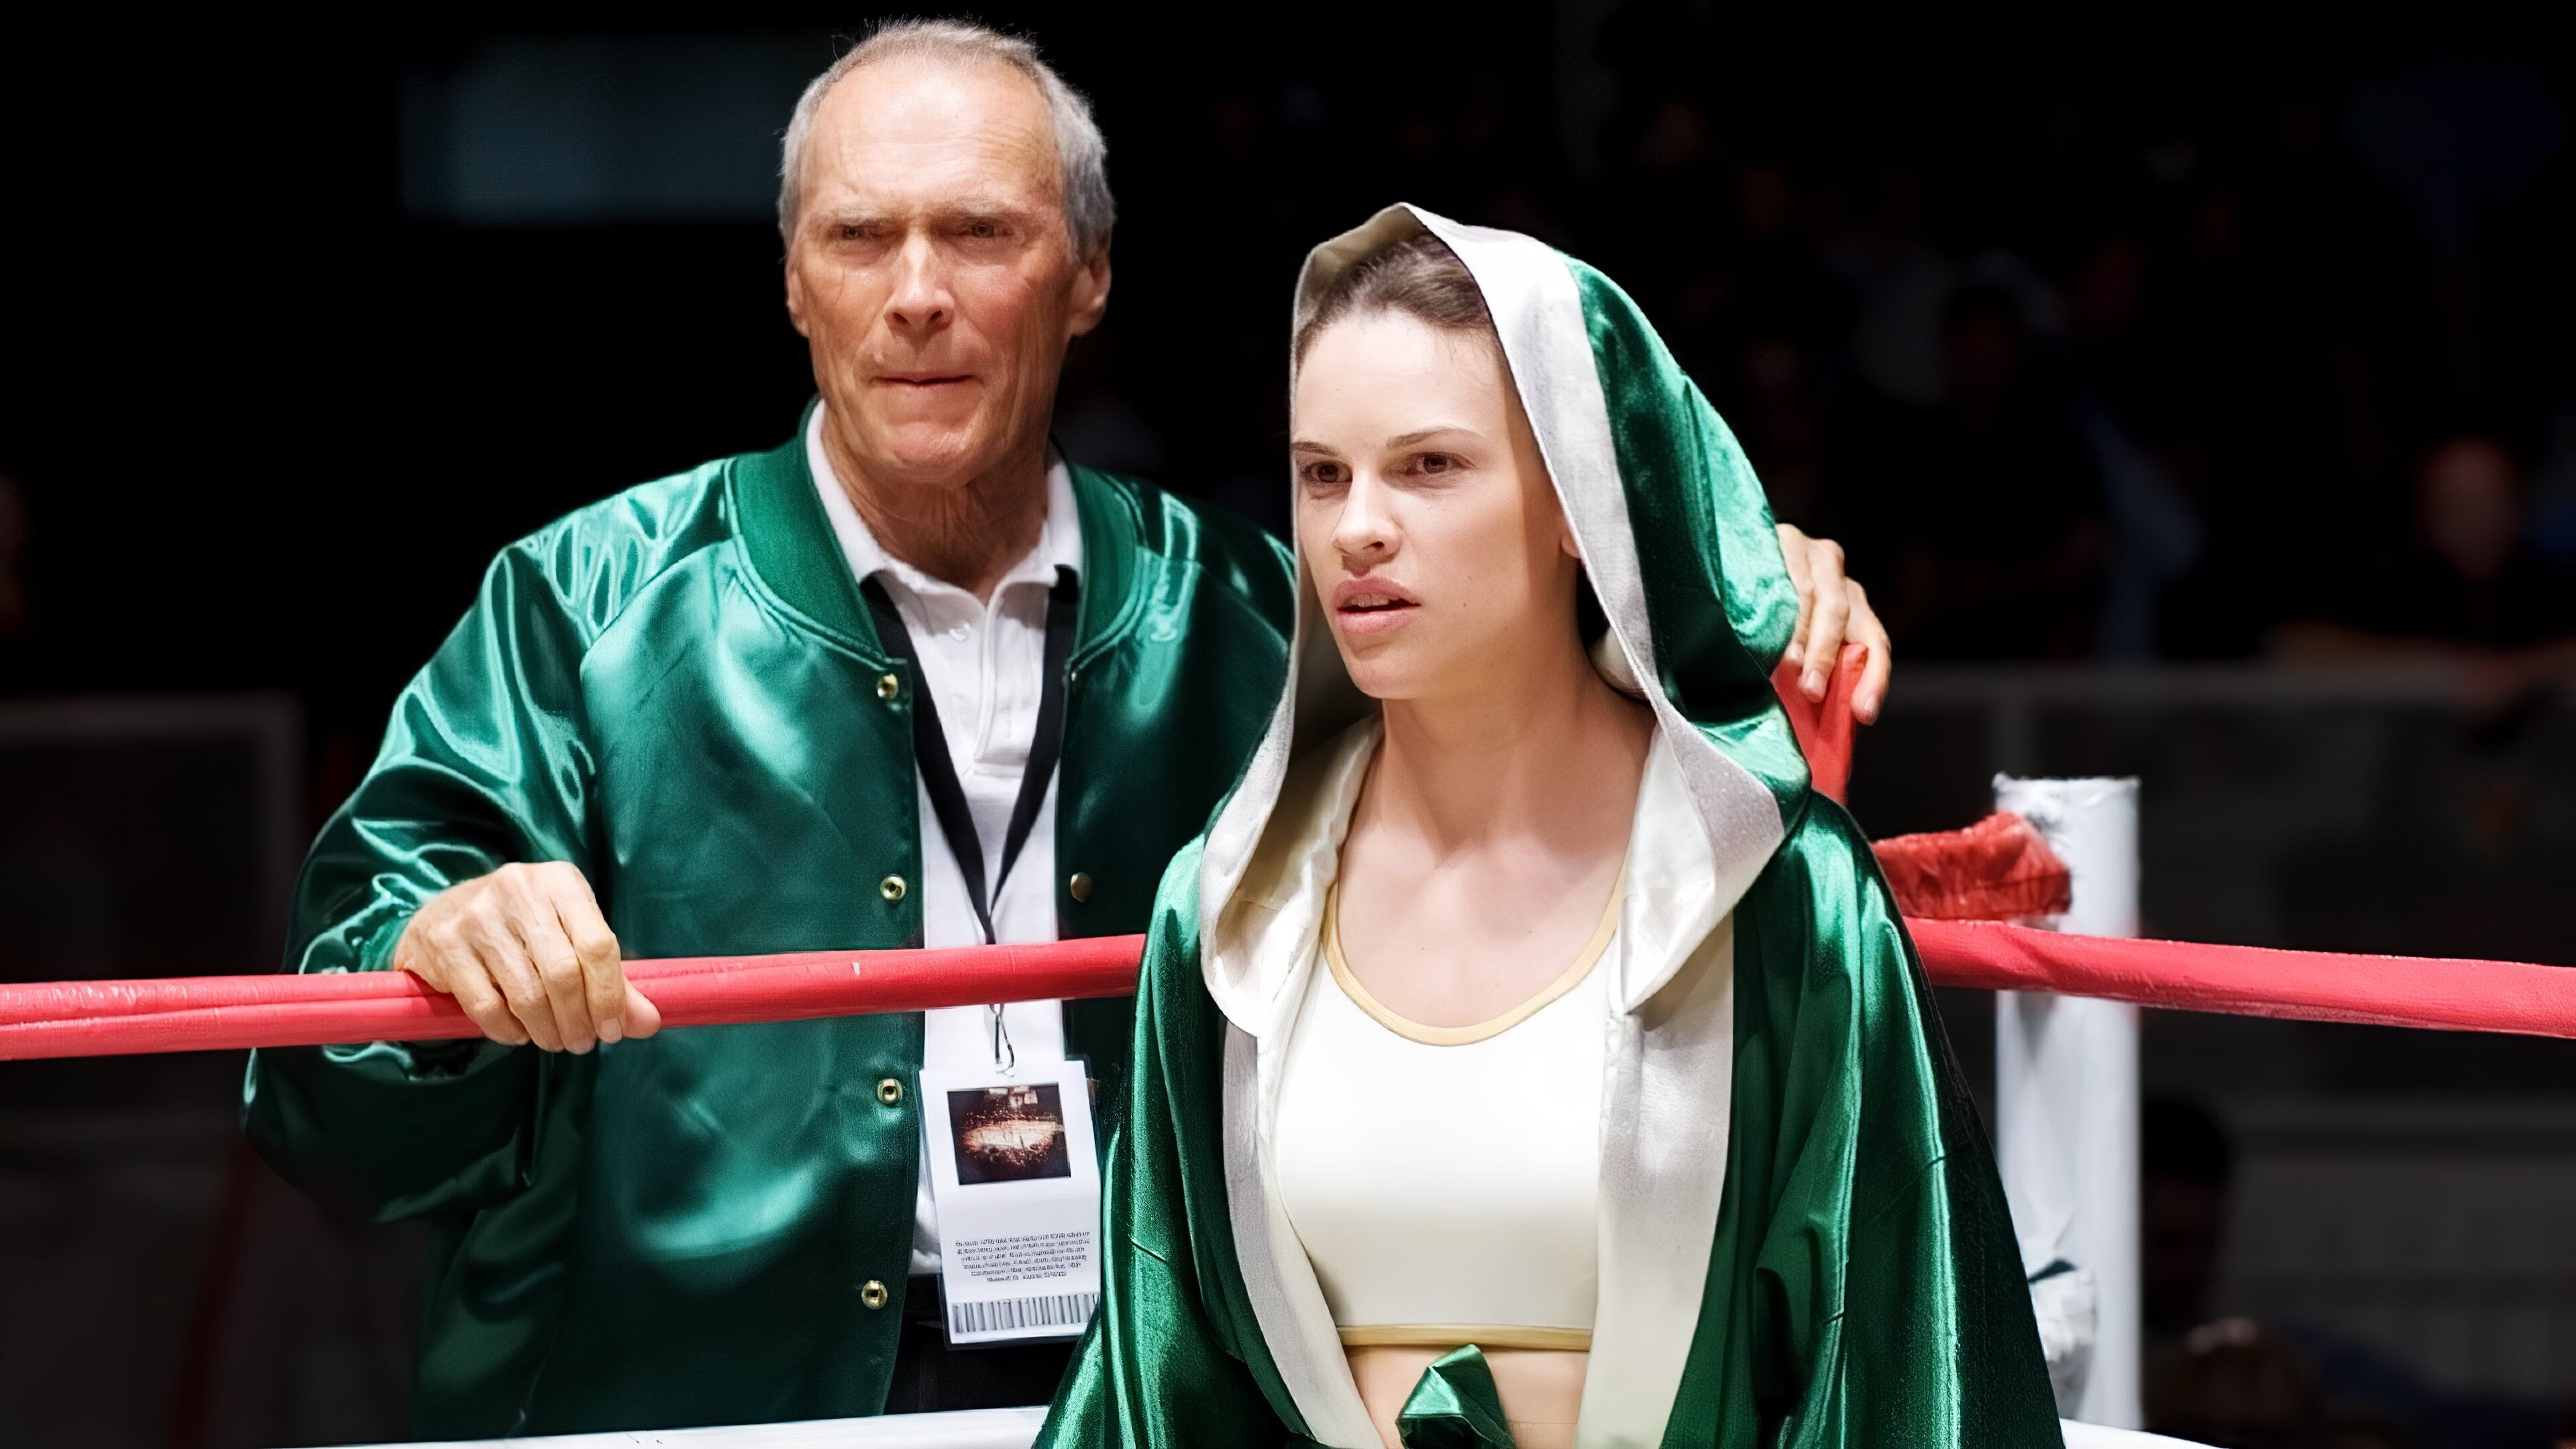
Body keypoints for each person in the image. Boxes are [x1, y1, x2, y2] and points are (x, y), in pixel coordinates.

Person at [241, 22, 1892, 1439]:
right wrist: (435, 956)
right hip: (700, 1402)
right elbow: (325, 1117)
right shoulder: (586, 607)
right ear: (793, 282)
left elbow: (1551, 716)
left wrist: (1747, 591)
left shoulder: (1256, 617)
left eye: (980, 233)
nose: (917, 297)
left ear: (1089, 275)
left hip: (1161, 1393)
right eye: (860, 239)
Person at [1039, 210, 2056, 1448]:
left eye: (1430, 466)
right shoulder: (1229, 905)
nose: (1357, 526)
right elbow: (1162, 1385)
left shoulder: (1777, 889)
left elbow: (1901, 1360)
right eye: (1323, 474)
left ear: (1581, 495)